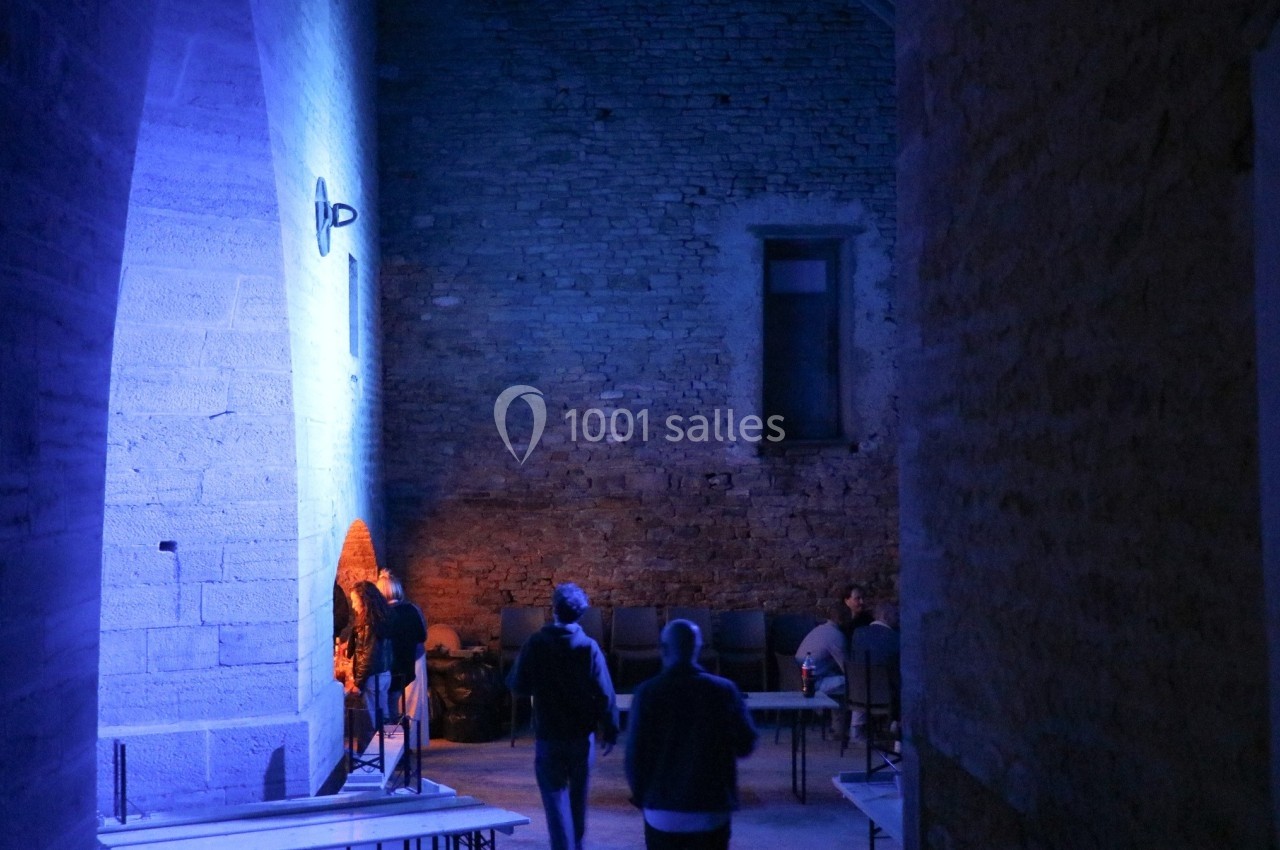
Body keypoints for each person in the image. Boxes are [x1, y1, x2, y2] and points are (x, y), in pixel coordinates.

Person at [626, 619, 758, 850]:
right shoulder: (724, 690)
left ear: (663, 649)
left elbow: (634, 757)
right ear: (698, 649)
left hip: (662, 810)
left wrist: (643, 797)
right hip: (711, 810)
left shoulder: (647, 693)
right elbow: (746, 744)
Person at [507, 583, 619, 850]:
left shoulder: (536, 643)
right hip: (581, 735)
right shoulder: (589, 647)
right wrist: (611, 729)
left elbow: (518, 685)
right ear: (581, 614)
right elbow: (605, 692)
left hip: (549, 734)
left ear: (553, 609)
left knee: (555, 799)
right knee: (578, 799)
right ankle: (576, 844)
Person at [377, 571, 428, 745]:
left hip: (393, 665)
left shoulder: (384, 614)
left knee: (391, 706)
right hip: (413, 661)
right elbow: (422, 635)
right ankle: (410, 742)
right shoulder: (412, 609)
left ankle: (394, 746)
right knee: (411, 705)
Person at [344, 580, 394, 745]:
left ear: (364, 600)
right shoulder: (382, 617)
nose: (353, 606)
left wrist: (358, 682)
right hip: (384, 673)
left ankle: (371, 756)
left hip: (373, 677)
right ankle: (385, 753)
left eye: (355, 601)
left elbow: (368, 655)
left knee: (370, 720)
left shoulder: (368, 623)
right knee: (382, 716)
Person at [795, 600, 853, 736]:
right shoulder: (836, 636)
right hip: (815, 684)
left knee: (841, 680)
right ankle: (846, 730)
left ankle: (837, 727)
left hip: (802, 680)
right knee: (854, 685)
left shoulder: (819, 630)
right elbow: (848, 669)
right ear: (843, 619)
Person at [851, 600, 902, 738]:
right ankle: (898, 732)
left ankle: (856, 729)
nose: (899, 618)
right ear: (885, 615)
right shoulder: (896, 639)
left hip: (858, 693)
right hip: (886, 696)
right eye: (896, 614)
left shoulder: (858, 634)